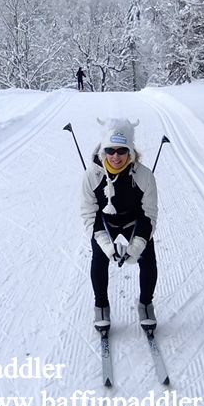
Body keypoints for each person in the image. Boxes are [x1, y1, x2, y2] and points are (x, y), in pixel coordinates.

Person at [80, 118, 158, 331]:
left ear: (130, 152)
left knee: (148, 257)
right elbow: (89, 213)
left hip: (135, 221)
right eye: (111, 150)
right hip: (105, 223)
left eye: (122, 151)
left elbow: (149, 214)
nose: (116, 156)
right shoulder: (92, 176)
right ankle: (101, 307)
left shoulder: (144, 175)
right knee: (99, 257)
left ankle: (146, 304)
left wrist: (138, 244)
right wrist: (105, 244)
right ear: (104, 151)